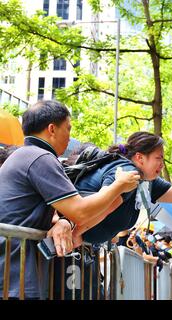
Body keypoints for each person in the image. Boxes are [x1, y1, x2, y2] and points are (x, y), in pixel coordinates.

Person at [0, 100, 140, 299]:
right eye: (68, 128)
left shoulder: (24, 155)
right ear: (51, 129)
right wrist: (118, 185)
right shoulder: (40, 158)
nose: (69, 136)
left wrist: (62, 222)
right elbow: (80, 211)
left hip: (13, 264)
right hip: (14, 268)